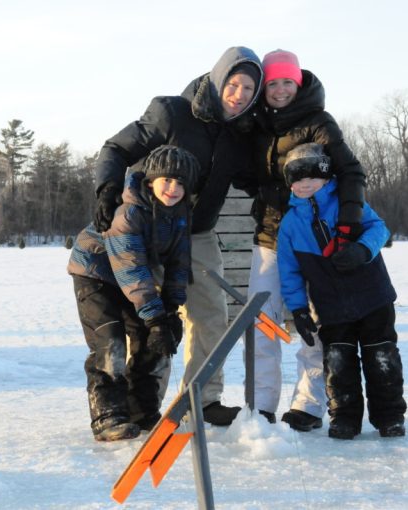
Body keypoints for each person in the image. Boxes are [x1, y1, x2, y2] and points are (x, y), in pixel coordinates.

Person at [92, 46, 263, 426]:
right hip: (148, 230)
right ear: (218, 80)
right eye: (233, 84)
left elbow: (255, 180)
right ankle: (144, 406)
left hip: (197, 234)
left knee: (211, 317)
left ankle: (203, 398)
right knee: (151, 320)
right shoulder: (171, 113)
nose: (239, 95)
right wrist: (107, 188)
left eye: (249, 89)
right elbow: (117, 148)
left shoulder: (241, 135)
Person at [242, 49, 367, 430]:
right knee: (261, 322)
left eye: (287, 82)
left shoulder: (319, 122)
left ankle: (308, 406)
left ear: (298, 83)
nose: (279, 90)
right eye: (273, 83)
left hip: (316, 241)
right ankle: (261, 405)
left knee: (314, 322)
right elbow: (244, 172)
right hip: (269, 237)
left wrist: (346, 227)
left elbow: (351, 173)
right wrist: (266, 191)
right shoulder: (253, 125)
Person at [68, 145, 200, 441]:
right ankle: (108, 415)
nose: (173, 189)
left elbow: (180, 263)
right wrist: (155, 318)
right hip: (96, 274)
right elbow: (132, 269)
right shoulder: (128, 212)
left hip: (131, 280)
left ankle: (141, 411)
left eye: (181, 183)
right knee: (110, 340)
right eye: (167, 180)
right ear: (151, 180)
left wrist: (170, 310)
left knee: (150, 341)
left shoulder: (179, 215)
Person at [277, 143, 406, 439]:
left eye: (312, 176)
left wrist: (362, 250)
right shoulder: (290, 225)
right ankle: (345, 418)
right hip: (330, 306)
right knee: (338, 363)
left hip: (373, 297)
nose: (305, 183)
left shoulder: (347, 202)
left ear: (326, 178)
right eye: (297, 178)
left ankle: (390, 416)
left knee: (382, 358)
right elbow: (290, 272)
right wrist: (298, 309)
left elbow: (379, 229)